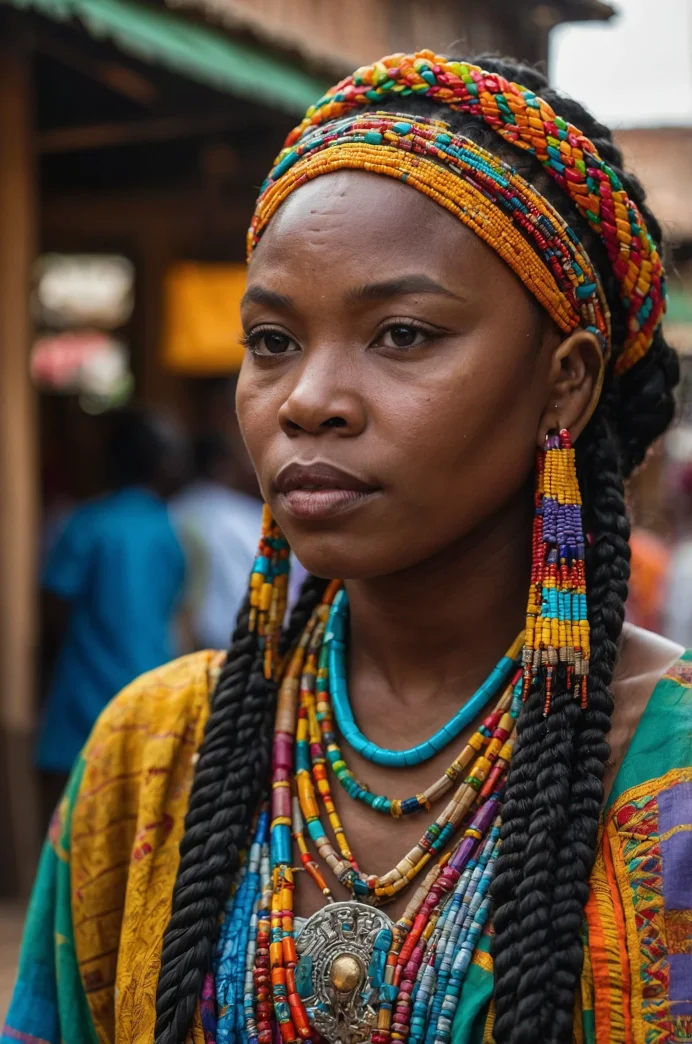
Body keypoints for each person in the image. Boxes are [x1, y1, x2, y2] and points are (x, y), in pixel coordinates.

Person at [5, 52, 690, 1044]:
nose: (306, 399)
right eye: (272, 341)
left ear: (563, 383)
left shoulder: (669, 780)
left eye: (402, 334)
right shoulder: (149, 758)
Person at [34, 406, 188, 820]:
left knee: (72, 829)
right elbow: (177, 607)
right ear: (159, 464)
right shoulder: (169, 528)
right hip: (153, 694)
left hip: (83, 696)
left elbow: (54, 607)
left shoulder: (88, 523)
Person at [171, 431, 264, 650]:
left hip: (184, 646)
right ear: (223, 465)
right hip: (241, 642)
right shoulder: (247, 517)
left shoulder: (172, 512)